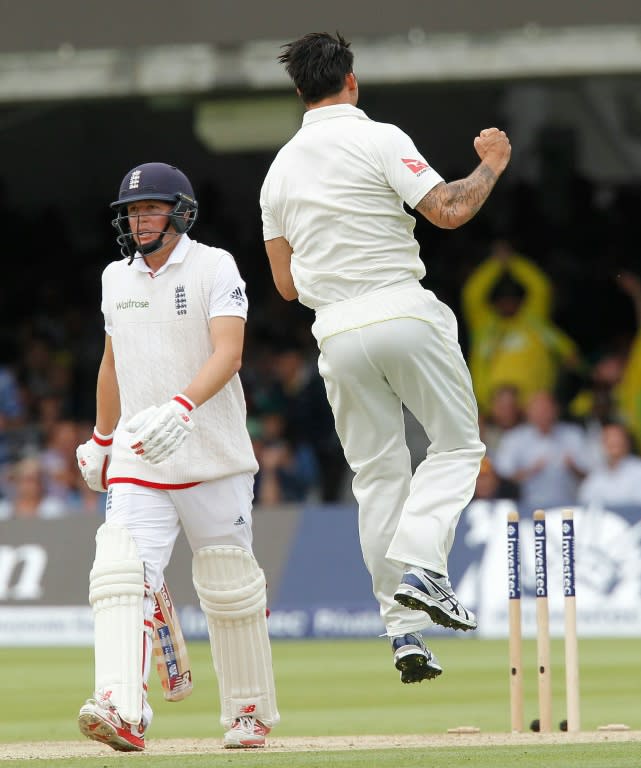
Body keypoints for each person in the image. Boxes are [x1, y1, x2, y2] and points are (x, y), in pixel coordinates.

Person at [259, 32, 511, 684]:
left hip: (335, 333)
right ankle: (424, 566)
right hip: (400, 309)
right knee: (455, 448)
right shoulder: (379, 136)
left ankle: (401, 634)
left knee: (377, 482)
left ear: (298, 91)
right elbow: (449, 210)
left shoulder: (278, 171)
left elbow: (285, 286)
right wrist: (490, 164)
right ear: (351, 80)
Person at [75, 163, 279, 752]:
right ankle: (122, 709)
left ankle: (248, 713)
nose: (139, 221)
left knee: (231, 589)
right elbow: (112, 365)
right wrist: (103, 439)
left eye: (150, 209)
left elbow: (230, 351)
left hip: (213, 456)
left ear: (180, 213)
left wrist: (184, 406)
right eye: (132, 212)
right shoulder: (116, 278)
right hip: (141, 461)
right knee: (119, 575)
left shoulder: (216, 266)